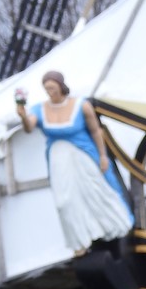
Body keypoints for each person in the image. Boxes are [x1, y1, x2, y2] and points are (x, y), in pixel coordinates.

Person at [16, 70, 134, 255]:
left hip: (84, 156)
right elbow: (29, 127)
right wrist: (22, 115)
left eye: (53, 88)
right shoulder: (40, 109)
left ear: (61, 86)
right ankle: (79, 241)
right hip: (59, 161)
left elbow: (96, 131)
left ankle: (111, 231)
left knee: (96, 192)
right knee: (65, 201)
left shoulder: (81, 106)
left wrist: (103, 156)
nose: (50, 92)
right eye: (46, 89)